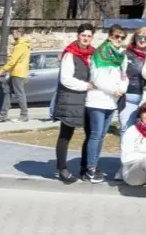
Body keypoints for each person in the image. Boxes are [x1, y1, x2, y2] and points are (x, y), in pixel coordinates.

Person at [84, 24, 129, 183]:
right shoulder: (100, 53)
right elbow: (96, 78)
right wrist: (112, 90)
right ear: (110, 37)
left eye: (122, 37)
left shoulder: (122, 56)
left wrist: (122, 89)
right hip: (98, 99)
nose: (119, 40)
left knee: (102, 135)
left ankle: (95, 165)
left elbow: (124, 76)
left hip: (112, 101)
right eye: (116, 36)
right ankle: (90, 168)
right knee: (96, 135)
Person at [54, 23, 96, 183]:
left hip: (88, 99)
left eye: (89, 36)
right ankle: (62, 168)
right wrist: (86, 85)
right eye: (83, 35)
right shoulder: (70, 54)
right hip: (71, 99)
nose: (85, 38)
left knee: (90, 133)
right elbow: (65, 79)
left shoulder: (93, 54)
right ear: (78, 35)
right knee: (66, 134)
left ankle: (85, 166)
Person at [0, 28, 31, 123]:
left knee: (19, 94)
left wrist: (1, 71)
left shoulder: (20, 46)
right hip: (17, 72)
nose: (12, 35)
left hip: (18, 73)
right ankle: (3, 115)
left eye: (13, 33)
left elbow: (12, 61)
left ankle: (24, 116)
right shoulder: (21, 45)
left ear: (19, 33)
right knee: (7, 92)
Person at [120, 26, 146, 130]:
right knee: (126, 128)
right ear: (135, 37)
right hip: (128, 96)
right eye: (140, 37)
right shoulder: (125, 54)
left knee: (145, 130)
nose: (143, 40)